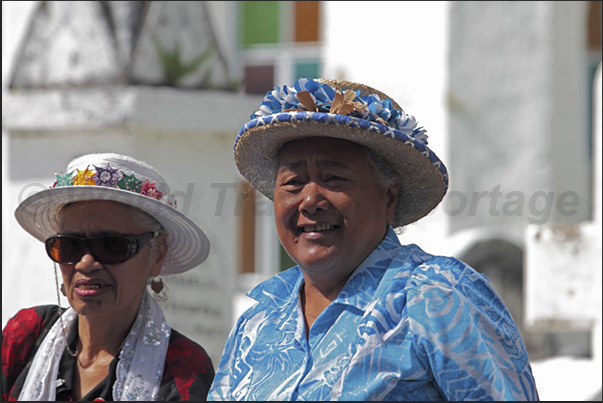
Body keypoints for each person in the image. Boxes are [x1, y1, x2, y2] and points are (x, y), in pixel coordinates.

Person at [208, 78, 539, 400]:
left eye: (333, 178)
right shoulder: (259, 321)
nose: (310, 201)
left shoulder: (436, 295)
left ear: (389, 195)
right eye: (293, 183)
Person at [2, 153, 215, 401]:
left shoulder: (182, 371)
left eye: (112, 245)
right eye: (70, 246)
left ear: (157, 254)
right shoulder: (27, 337)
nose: (85, 263)